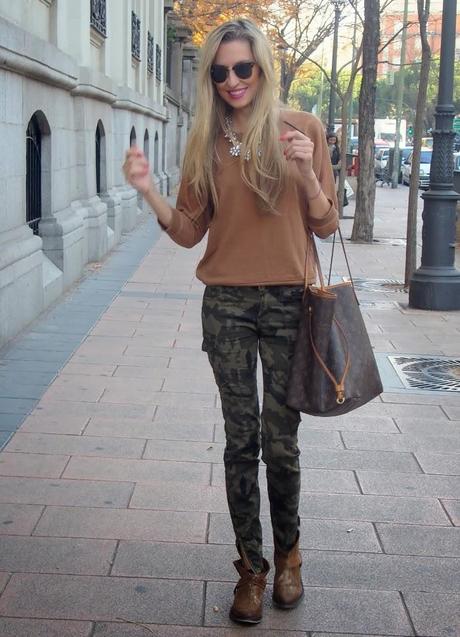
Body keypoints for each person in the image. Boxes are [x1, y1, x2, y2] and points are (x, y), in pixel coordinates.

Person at [123, 18, 338, 625]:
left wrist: (301, 171)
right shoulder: (207, 141)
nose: (232, 80)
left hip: (289, 302)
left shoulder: (303, 130)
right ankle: (251, 568)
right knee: (240, 441)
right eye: (219, 71)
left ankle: (290, 556)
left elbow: (325, 224)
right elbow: (190, 232)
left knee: (281, 441)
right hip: (226, 306)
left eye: (243, 68)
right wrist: (148, 191)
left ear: (262, 69)